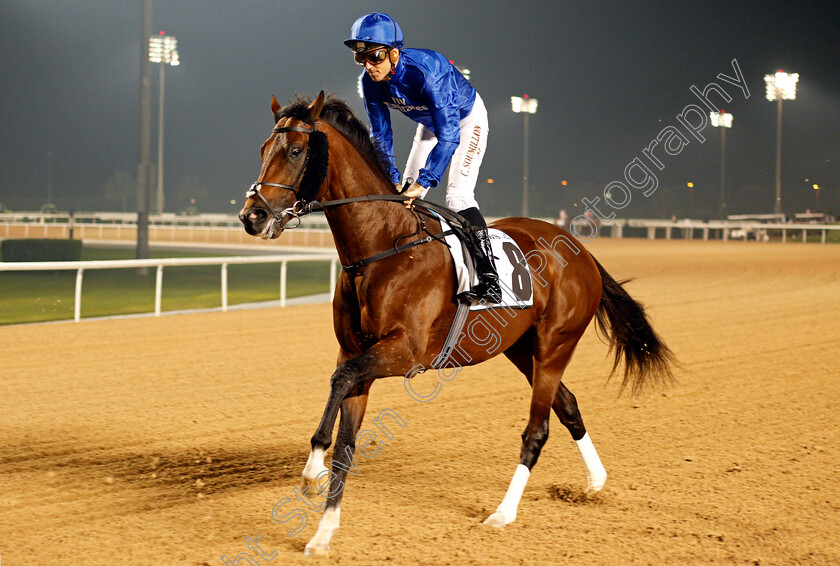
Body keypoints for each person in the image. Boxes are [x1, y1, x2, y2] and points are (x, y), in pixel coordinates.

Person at [344, 12, 501, 302]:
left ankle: (490, 278)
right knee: (403, 193)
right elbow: (381, 138)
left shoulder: (428, 70)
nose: (367, 65)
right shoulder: (370, 83)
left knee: (458, 197)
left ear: (394, 53)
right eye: (360, 57)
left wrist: (426, 179)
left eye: (374, 56)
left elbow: (450, 135)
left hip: (465, 120)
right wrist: (392, 180)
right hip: (429, 124)